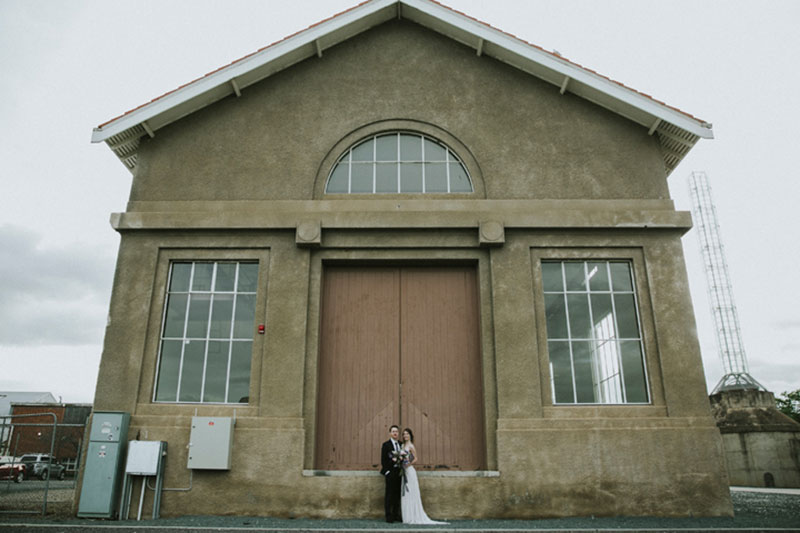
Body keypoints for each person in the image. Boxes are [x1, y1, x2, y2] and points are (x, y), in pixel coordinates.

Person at [400, 428, 447, 525]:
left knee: (411, 492)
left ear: (410, 435)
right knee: (405, 493)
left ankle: (414, 515)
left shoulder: (411, 446)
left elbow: (416, 458)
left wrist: (408, 464)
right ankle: (407, 516)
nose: (405, 436)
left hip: (409, 470)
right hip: (403, 471)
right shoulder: (402, 445)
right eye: (404, 434)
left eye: (407, 434)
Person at [379, 425, 403, 523]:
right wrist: (387, 472)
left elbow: (405, 457)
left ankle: (396, 514)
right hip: (390, 473)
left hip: (399, 473)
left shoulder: (401, 444)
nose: (395, 433)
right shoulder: (386, 445)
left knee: (397, 494)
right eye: (393, 431)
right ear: (390, 433)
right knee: (389, 494)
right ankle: (388, 516)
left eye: (396, 431)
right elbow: (383, 460)